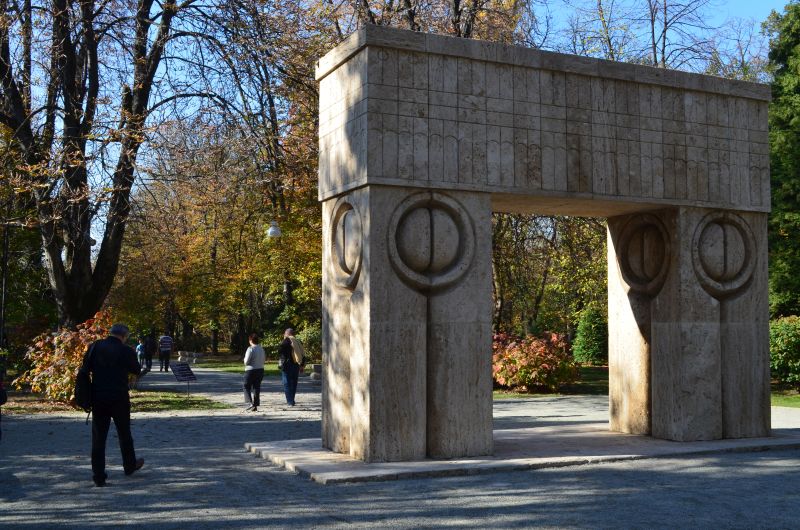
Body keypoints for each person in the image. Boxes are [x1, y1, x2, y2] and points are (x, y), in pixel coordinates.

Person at [80, 323, 144, 486]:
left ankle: (98, 476)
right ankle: (129, 465)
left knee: (99, 437)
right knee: (124, 433)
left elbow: (85, 368)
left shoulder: (95, 346)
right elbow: (136, 370)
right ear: (124, 336)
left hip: (98, 396)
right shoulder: (126, 350)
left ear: (111, 333)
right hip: (119, 397)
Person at [278, 328, 304, 406]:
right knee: (293, 383)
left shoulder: (286, 340)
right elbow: (303, 354)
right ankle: (292, 400)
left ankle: (290, 401)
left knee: (287, 383)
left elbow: (280, 351)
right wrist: (302, 365)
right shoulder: (298, 342)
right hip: (296, 364)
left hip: (287, 365)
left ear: (287, 334)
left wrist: (281, 363)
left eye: (285, 333)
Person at [243, 333, 265, 412]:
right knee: (256, 387)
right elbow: (263, 360)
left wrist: (244, 360)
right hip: (260, 369)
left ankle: (249, 403)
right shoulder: (261, 349)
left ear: (251, 340)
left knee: (246, 386)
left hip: (250, 370)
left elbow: (246, 361)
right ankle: (255, 405)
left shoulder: (250, 349)